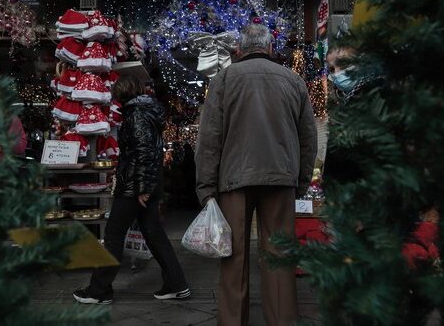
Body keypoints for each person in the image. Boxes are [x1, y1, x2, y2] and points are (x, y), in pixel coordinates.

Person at [195, 24, 318, 326]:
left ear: (239, 49)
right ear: (270, 48)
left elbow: (209, 138)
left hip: (234, 179)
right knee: (278, 257)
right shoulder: (293, 80)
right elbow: (308, 138)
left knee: (233, 257)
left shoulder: (224, 79)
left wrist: (206, 188)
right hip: (280, 177)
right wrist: (300, 181)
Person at [73, 74, 190, 305]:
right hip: (144, 184)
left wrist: (142, 188)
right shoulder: (144, 112)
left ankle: (99, 290)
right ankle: (177, 284)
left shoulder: (135, 115)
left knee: (114, 234)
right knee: (154, 234)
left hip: (135, 187)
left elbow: (145, 153)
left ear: (121, 95)